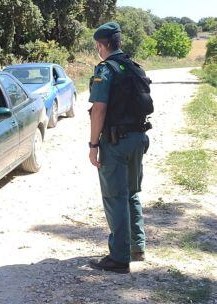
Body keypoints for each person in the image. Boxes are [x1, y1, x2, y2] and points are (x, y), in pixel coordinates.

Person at [87, 22, 150, 274]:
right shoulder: (134, 67)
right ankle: (137, 247)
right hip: (138, 138)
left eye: (97, 47)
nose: (98, 51)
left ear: (102, 45)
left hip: (115, 142)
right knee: (132, 193)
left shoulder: (106, 70)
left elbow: (99, 109)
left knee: (115, 196)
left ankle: (119, 258)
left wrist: (93, 145)